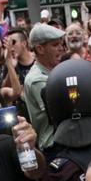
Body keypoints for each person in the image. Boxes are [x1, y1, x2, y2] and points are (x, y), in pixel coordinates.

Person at [23, 24, 68, 152]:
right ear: (40, 49)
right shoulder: (37, 79)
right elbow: (62, 112)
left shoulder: (55, 71)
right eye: (55, 45)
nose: (61, 49)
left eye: (61, 44)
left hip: (65, 141)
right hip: (54, 146)